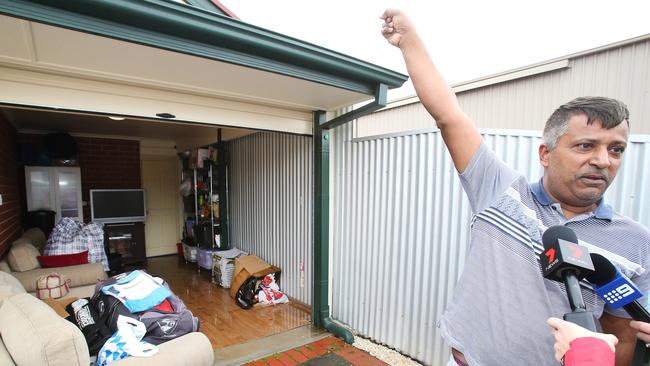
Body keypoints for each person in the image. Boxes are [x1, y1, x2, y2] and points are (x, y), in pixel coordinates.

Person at [380, 8, 650, 366]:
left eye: (615, 149)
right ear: (546, 153)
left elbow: (622, 331)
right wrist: (409, 42)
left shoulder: (635, 241)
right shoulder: (501, 190)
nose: (603, 160)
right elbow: (449, 116)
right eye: (586, 146)